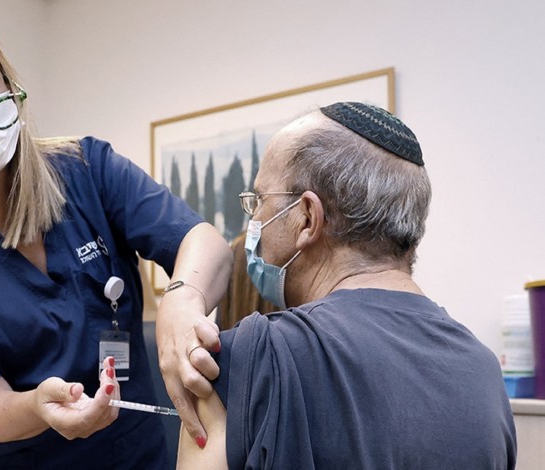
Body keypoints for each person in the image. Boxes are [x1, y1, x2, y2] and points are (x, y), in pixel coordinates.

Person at [0, 0, 232, 467]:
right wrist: (38, 406)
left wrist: (181, 300)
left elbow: (204, 242)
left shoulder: (87, 169)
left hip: (125, 454)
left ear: (8, 84)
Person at [177, 102, 517, 469]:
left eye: (260, 200)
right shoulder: (483, 371)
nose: (255, 218)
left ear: (307, 218)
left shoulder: (246, 359)